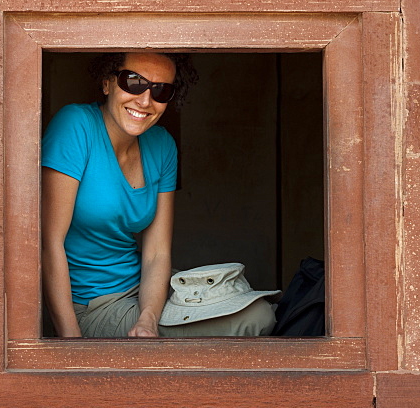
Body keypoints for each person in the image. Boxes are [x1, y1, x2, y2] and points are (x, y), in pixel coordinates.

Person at [41, 52, 276, 338]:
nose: (144, 101)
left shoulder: (162, 145)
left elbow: (156, 253)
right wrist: (70, 343)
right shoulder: (75, 125)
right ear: (107, 83)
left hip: (145, 291)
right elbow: (48, 243)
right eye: (133, 82)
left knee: (257, 310)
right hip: (91, 304)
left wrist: (148, 320)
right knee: (248, 322)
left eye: (161, 91)